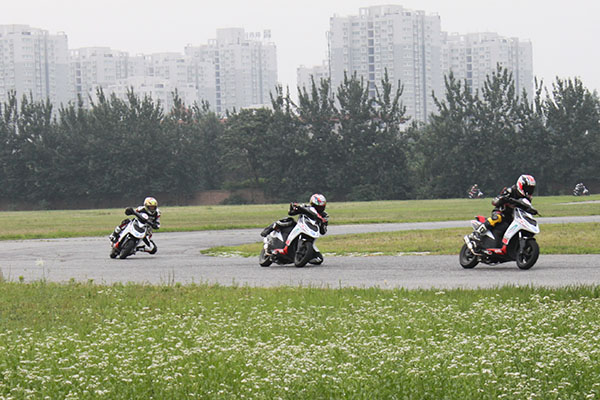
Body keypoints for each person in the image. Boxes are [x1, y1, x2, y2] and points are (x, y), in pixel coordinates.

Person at [469, 175, 536, 245]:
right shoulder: (510, 191)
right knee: (497, 217)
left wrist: (532, 210)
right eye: (527, 188)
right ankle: (476, 233)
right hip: (501, 211)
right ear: (520, 185)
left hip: (514, 216)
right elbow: (495, 201)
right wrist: (504, 199)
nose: (529, 191)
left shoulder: (528, 198)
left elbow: (527, 207)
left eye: (531, 189)